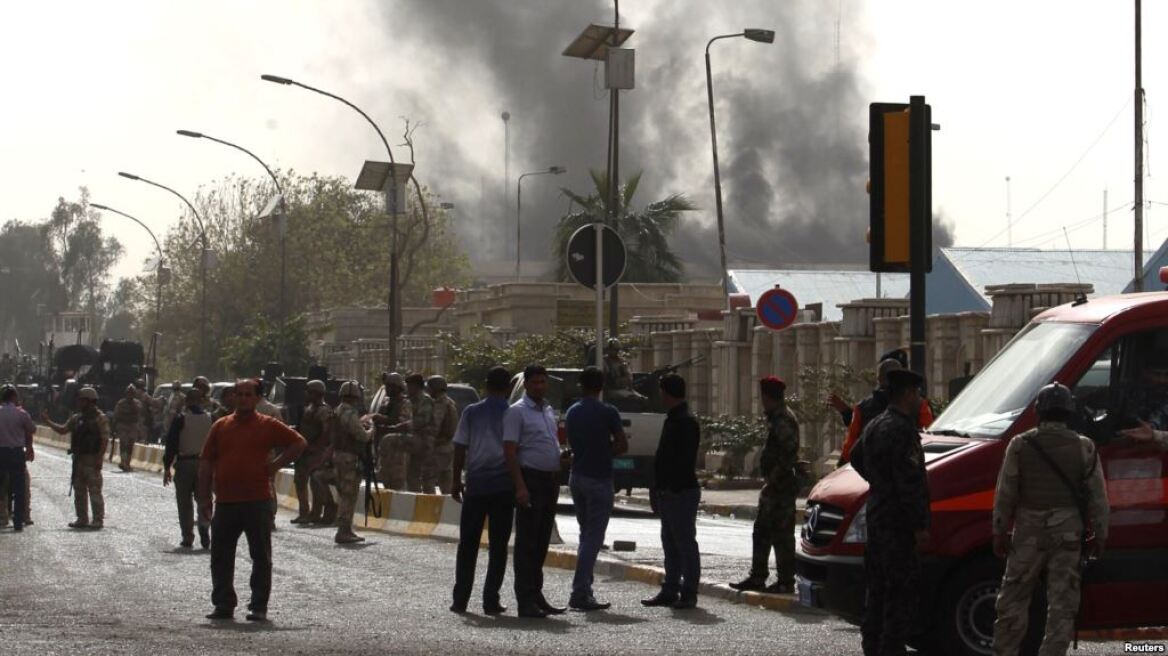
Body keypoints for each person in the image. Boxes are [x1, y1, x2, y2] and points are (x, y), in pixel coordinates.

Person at [991, 383, 1109, 656]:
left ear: (1039, 411)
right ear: (1069, 411)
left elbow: (1006, 491)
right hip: (1068, 533)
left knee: (1013, 599)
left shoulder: (1020, 445)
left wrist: (999, 530)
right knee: (1062, 604)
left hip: (1028, 532)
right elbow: (1098, 496)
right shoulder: (1084, 447)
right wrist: (1100, 534)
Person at [197, 378, 306, 622]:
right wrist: (204, 497)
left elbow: (299, 442)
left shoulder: (268, 425)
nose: (244, 398)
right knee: (221, 556)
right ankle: (223, 604)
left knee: (260, 556)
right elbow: (206, 462)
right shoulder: (220, 426)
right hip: (225, 502)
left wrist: (276, 465)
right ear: (234, 397)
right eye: (240, 394)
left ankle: (258, 606)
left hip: (257, 500)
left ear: (257, 398)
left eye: (249, 394)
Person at [850, 368, 931, 656]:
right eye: (918, 393)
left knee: (877, 590)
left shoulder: (875, 424)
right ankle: (891, 648)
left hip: (877, 516)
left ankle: (872, 646)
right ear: (908, 394)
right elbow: (909, 483)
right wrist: (920, 525)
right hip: (898, 524)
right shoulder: (902, 429)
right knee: (899, 592)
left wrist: (878, 481)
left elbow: (855, 456)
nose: (920, 399)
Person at [450, 366, 514, 615]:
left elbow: (459, 447)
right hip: (503, 488)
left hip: (475, 487)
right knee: (498, 547)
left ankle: (460, 599)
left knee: (468, 545)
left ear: (485, 386)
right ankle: (490, 600)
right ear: (509, 388)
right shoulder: (512, 414)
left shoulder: (472, 411)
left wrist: (456, 480)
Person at [504, 364, 566, 619]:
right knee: (527, 543)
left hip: (550, 481)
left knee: (541, 542)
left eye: (543, 382)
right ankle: (525, 599)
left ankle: (536, 594)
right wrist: (520, 486)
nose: (540, 386)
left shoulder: (548, 410)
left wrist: (561, 459)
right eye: (535, 382)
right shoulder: (516, 412)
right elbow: (510, 452)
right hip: (530, 480)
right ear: (526, 385)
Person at [564, 366, 628, 611]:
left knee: (585, 534)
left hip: (577, 476)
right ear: (602, 386)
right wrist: (605, 450)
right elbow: (621, 445)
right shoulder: (607, 412)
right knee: (594, 536)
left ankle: (585, 588)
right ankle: (580, 591)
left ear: (581, 385)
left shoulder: (572, 412)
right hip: (599, 478)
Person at [730, 376, 800, 594]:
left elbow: (788, 453)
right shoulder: (776, 418)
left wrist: (775, 478)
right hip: (774, 485)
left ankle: (785, 580)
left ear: (768, 397)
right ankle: (758, 576)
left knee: (781, 534)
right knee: (762, 531)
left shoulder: (783, 419)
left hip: (781, 486)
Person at [642, 373, 702, 610]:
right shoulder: (674, 418)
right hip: (669, 490)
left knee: (685, 543)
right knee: (670, 542)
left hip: (680, 490)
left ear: (667, 393)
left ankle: (689, 592)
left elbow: (681, 460)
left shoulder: (685, 421)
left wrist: (669, 487)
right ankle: (670, 588)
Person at [838, 359, 934, 467]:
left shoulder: (862, 408)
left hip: (874, 476)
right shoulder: (918, 404)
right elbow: (930, 439)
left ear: (878, 379)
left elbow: (850, 450)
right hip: (909, 471)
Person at [43, 387, 110, 530]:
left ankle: (98, 519)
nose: (79, 402)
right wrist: (48, 421)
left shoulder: (100, 418)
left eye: (81, 400)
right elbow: (63, 430)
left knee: (94, 491)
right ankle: (82, 518)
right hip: (78, 459)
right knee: (79, 490)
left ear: (89, 401)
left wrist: (99, 459)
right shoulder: (77, 418)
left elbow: (104, 440)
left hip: (91, 459)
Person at [163, 389, 214, 549]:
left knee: (184, 503)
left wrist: (167, 467)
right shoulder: (211, 418)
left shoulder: (181, 419)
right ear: (201, 401)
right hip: (205, 464)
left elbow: (171, 444)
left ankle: (188, 536)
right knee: (204, 499)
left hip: (185, 464)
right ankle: (204, 525)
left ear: (186, 401)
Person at [291, 380, 333, 525]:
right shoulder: (309, 408)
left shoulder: (324, 410)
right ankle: (304, 512)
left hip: (316, 451)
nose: (306, 394)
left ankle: (317, 512)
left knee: (315, 482)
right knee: (300, 480)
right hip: (304, 449)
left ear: (317, 393)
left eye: (309, 391)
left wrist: (317, 447)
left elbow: (327, 432)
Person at [0, 385, 35, 532]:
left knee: (1, 487)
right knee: (19, 488)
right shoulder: (21, 414)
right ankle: (18, 522)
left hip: (1, 453)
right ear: (14, 397)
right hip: (16, 454)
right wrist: (29, 448)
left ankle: (2, 517)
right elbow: (31, 430)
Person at [372, 372, 411, 489]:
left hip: (397, 450)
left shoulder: (405, 403)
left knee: (396, 484)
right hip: (383, 448)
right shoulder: (386, 402)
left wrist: (383, 421)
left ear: (397, 387)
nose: (387, 389)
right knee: (384, 482)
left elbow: (402, 424)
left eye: (390, 386)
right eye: (386, 385)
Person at [424, 375, 459, 494]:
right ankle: (449, 510)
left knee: (428, 480)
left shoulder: (440, 404)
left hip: (439, 448)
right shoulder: (450, 402)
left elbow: (435, 427)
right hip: (449, 448)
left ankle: (429, 509)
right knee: (447, 484)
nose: (428, 391)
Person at [404, 373, 436, 493]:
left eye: (410, 386)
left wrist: (406, 425)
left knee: (427, 479)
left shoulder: (425, 400)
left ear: (416, 386)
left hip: (425, 443)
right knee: (412, 475)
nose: (408, 389)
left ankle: (429, 505)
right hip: (414, 443)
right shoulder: (409, 400)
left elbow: (423, 420)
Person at [111, 384, 145, 472]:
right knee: (123, 443)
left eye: (132, 393)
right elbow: (116, 414)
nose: (130, 395)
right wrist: (114, 427)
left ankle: (127, 463)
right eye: (129, 393)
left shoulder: (137, 403)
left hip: (133, 426)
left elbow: (139, 412)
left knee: (130, 444)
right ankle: (123, 461)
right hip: (122, 425)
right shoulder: (121, 403)